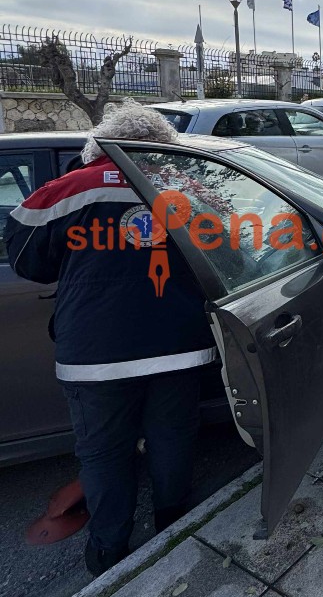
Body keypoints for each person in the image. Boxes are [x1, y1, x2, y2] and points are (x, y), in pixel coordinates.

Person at [4, 101, 215, 576]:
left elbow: (26, 261)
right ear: (162, 149)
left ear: (97, 145)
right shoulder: (187, 191)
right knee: (172, 438)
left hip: (94, 356)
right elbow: (224, 254)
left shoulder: (65, 191)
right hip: (177, 347)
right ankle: (174, 525)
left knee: (103, 452)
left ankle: (108, 553)